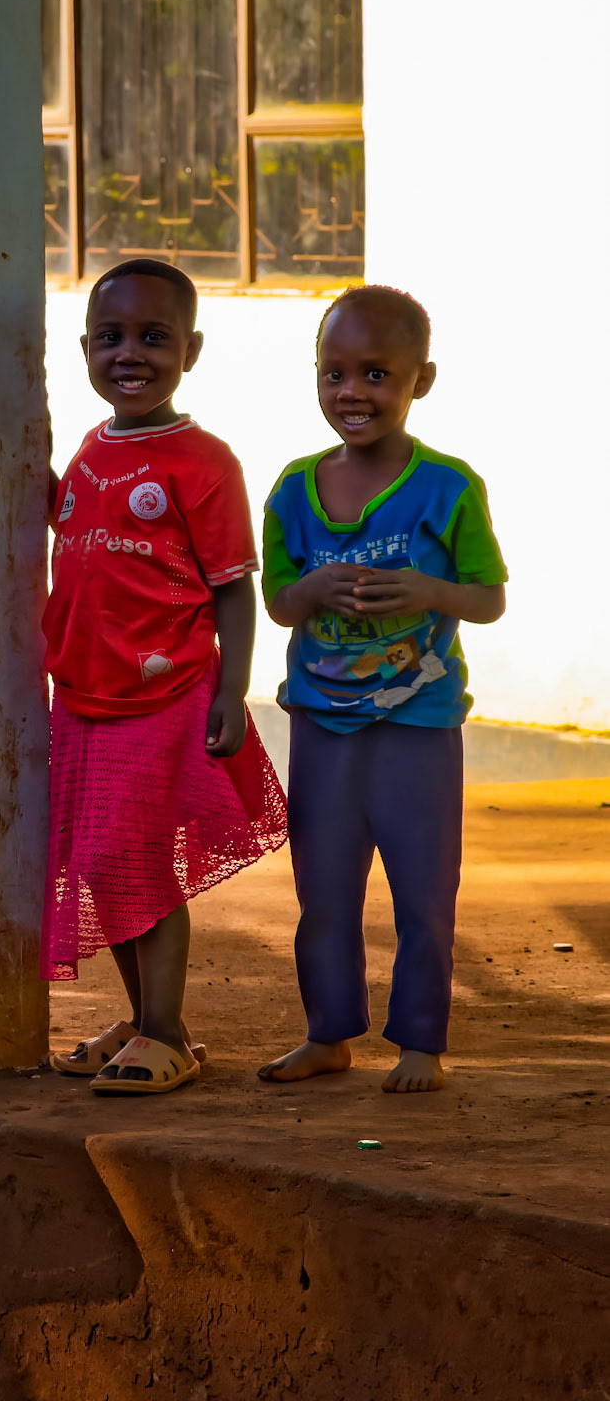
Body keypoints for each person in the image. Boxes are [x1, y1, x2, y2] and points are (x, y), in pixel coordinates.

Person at [258, 284, 507, 1094]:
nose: (351, 392)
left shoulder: (448, 487)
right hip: (320, 721)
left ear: (418, 380)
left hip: (417, 722)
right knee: (322, 890)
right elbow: (278, 601)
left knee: (422, 890)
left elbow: (488, 599)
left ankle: (420, 1044)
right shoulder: (292, 489)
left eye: (375, 374)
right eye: (333, 373)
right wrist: (312, 589)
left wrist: (429, 591)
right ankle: (326, 1034)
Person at [45, 260, 286, 1094]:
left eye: (153, 337)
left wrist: (232, 690)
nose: (130, 354)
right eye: (110, 337)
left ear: (192, 350)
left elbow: (232, 587)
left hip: (162, 697)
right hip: (81, 699)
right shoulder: (89, 450)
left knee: (141, 865)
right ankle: (141, 1020)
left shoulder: (204, 461)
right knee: (102, 868)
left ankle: (167, 1033)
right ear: (84, 348)